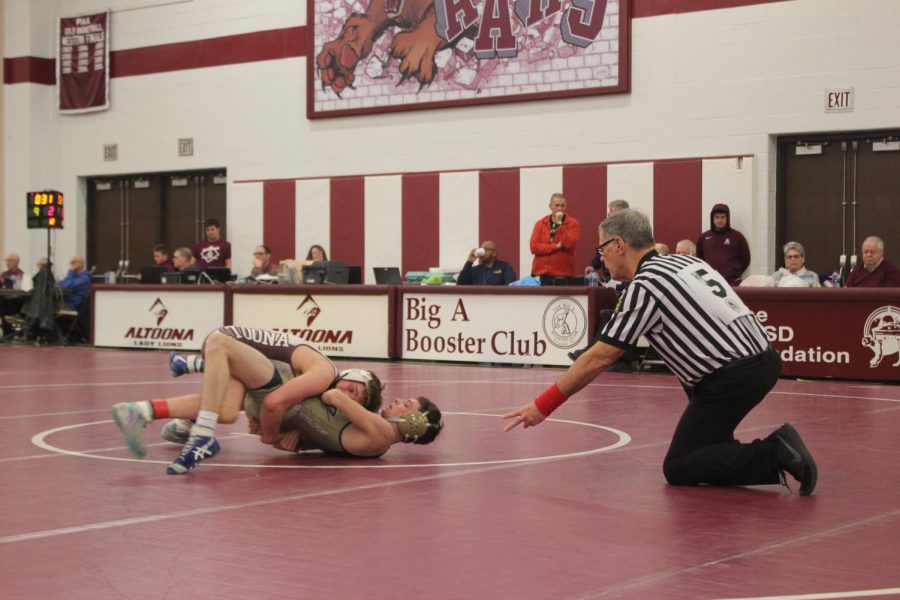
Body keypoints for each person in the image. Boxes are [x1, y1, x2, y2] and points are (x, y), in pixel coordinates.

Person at [504, 209, 818, 496]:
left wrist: (543, 406)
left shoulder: (646, 284)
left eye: (601, 249)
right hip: (761, 358)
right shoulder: (687, 261)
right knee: (700, 426)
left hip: (732, 375)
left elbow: (600, 356)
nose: (601, 259)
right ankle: (728, 447)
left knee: (680, 465)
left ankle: (776, 452)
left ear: (619, 245)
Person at [530, 193, 580, 285]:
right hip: (541, 274)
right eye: (557, 205)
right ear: (550, 206)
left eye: (563, 205)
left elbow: (569, 244)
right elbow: (534, 248)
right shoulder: (540, 223)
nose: (560, 208)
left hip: (563, 275)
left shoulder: (573, 223)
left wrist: (560, 224)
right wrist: (556, 247)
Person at [696, 203, 751, 286]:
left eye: (723, 217)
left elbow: (746, 259)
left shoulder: (737, 237)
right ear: (712, 218)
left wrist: (734, 272)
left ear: (727, 218)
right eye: (717, 217)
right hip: (710, 283)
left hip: (733, 283)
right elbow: (700, 258)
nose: (720, 220)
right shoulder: (704, 237)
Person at [585, 199, 628, 281]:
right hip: (608, 276)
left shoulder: (630, 232)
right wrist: (593, 266)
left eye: (611, 211)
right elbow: (602, 252)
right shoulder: (607, 230)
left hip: (624, 277)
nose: (608, 214)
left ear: (621, 213)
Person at [1, 253, 27, 337]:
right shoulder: (4, 275)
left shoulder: (21, 275)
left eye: (10, 260)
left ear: (17, 262)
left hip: (16, 303)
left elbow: (22, 292)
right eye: (7, 260)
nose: (8, 262)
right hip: (4, 301)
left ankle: (8, 333)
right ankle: (7, 333)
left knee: (4, 308)